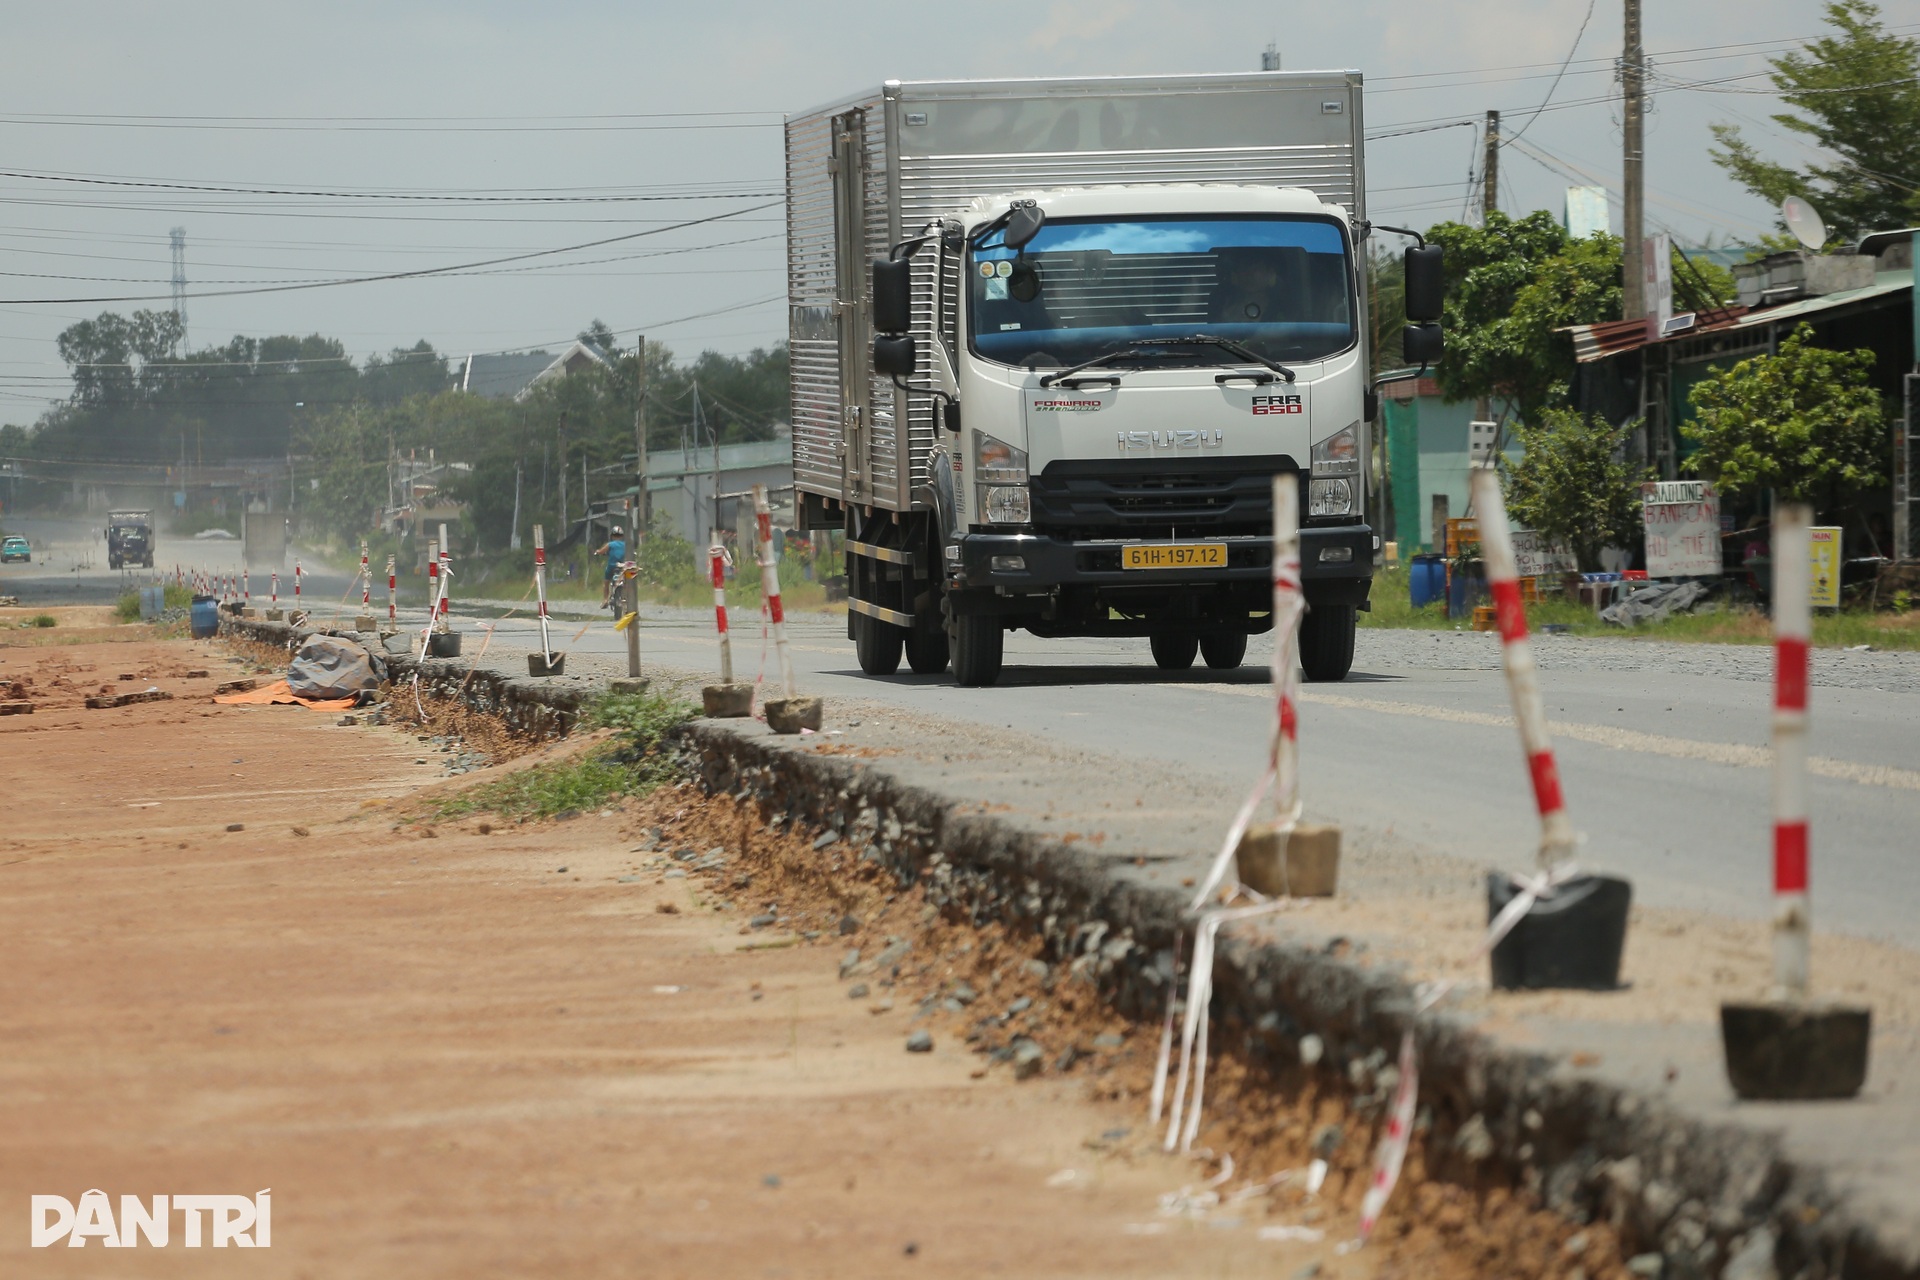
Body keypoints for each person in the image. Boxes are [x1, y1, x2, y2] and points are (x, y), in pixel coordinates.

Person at [593, 525, 627, 607]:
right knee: (626, 580)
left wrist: (597, 552)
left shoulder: (610, 544)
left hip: (612, 566)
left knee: (606, 582)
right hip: (623, 566)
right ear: (622, 536)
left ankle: (605, 599)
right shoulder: (625, 545)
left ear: (612, 536)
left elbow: (602, 551)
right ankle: (626, 597)